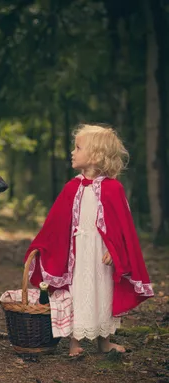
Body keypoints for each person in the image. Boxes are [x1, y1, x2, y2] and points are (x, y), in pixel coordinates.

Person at [24, 124, 154, 356]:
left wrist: (116, 252)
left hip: (102, 253)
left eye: (78, 147)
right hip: (76, 253)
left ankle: (104, 341)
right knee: (77, 291)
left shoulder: (114, 188)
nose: (72, 152)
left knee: (103, 292)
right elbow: (55, 224)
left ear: (95, 156)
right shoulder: (71, 187)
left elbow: (123, 228)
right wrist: (42, 247)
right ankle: (75, 343)